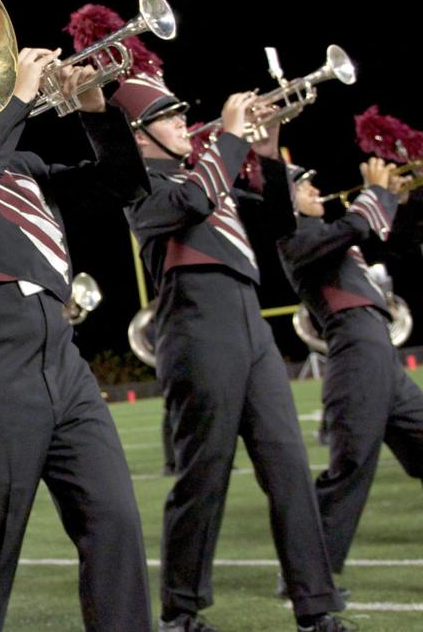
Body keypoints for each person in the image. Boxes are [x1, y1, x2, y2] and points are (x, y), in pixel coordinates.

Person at [0, 48, 152, 632]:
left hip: (62, 361)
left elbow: (123, 183)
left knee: (113, 521)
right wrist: (16, 98)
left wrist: (93, 106)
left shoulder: (26, 164)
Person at [118, 73, 348, 632]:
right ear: (140, 135)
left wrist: (264, 145)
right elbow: (194, 200)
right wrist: (229, 133)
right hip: (197, 325)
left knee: (289, 468)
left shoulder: (208, 173)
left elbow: (274, 221)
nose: (181, 123)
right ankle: (181, 611)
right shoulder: (141, 184)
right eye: (168, 117)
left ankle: (315, 608)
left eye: (181, 115)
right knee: (205, 475)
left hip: (248, 320)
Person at [276, 159, 423, 578]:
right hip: (355, 350)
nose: (315, 192)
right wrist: (374, 193)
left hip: (379, 348)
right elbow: (356, 227)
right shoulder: (294, 240)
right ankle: (306, 578)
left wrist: (393, 197)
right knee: (351, 467)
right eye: (304, 188)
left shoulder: (324, 234)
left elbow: (383, 237)